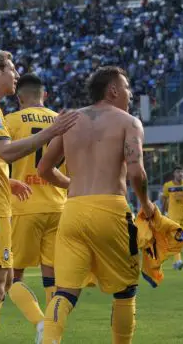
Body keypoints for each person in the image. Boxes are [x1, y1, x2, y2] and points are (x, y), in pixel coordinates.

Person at [0, 51, 79, 344]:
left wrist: (6, 180)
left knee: (7, 279)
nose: (16, 74)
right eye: (11, 69)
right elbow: (6, 151)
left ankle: (42, 326)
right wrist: (52, 130)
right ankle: (44, 327)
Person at [36, 66, 156, 344]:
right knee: (125, 291)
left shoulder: (70, 121)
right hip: (111, 210)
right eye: (126, 87)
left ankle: (50, 339)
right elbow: (137, 172)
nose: (130, 93)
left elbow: (43, 169)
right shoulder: (128, 122)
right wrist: (147, 205)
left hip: (73, 210)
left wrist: (73, 185)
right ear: (113, 90)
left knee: (64, 292)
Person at [4, 74, 69, 342]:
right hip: (58, 205)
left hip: (23, 205)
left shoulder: (10, 121)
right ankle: (53, 333)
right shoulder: (62, 121)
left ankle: (41, 322)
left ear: (20, 98)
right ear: (46, 95)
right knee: (52, 273)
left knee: (12, 277)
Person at [162, 165, 183, 270]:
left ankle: (175, 260)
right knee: (177, 238)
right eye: (178, 172)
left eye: (182, 172)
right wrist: (162, 213)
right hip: (172, 216)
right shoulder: (168, 186)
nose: (180, 174)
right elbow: (164, 200)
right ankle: (178, 260)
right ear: (174, 174)